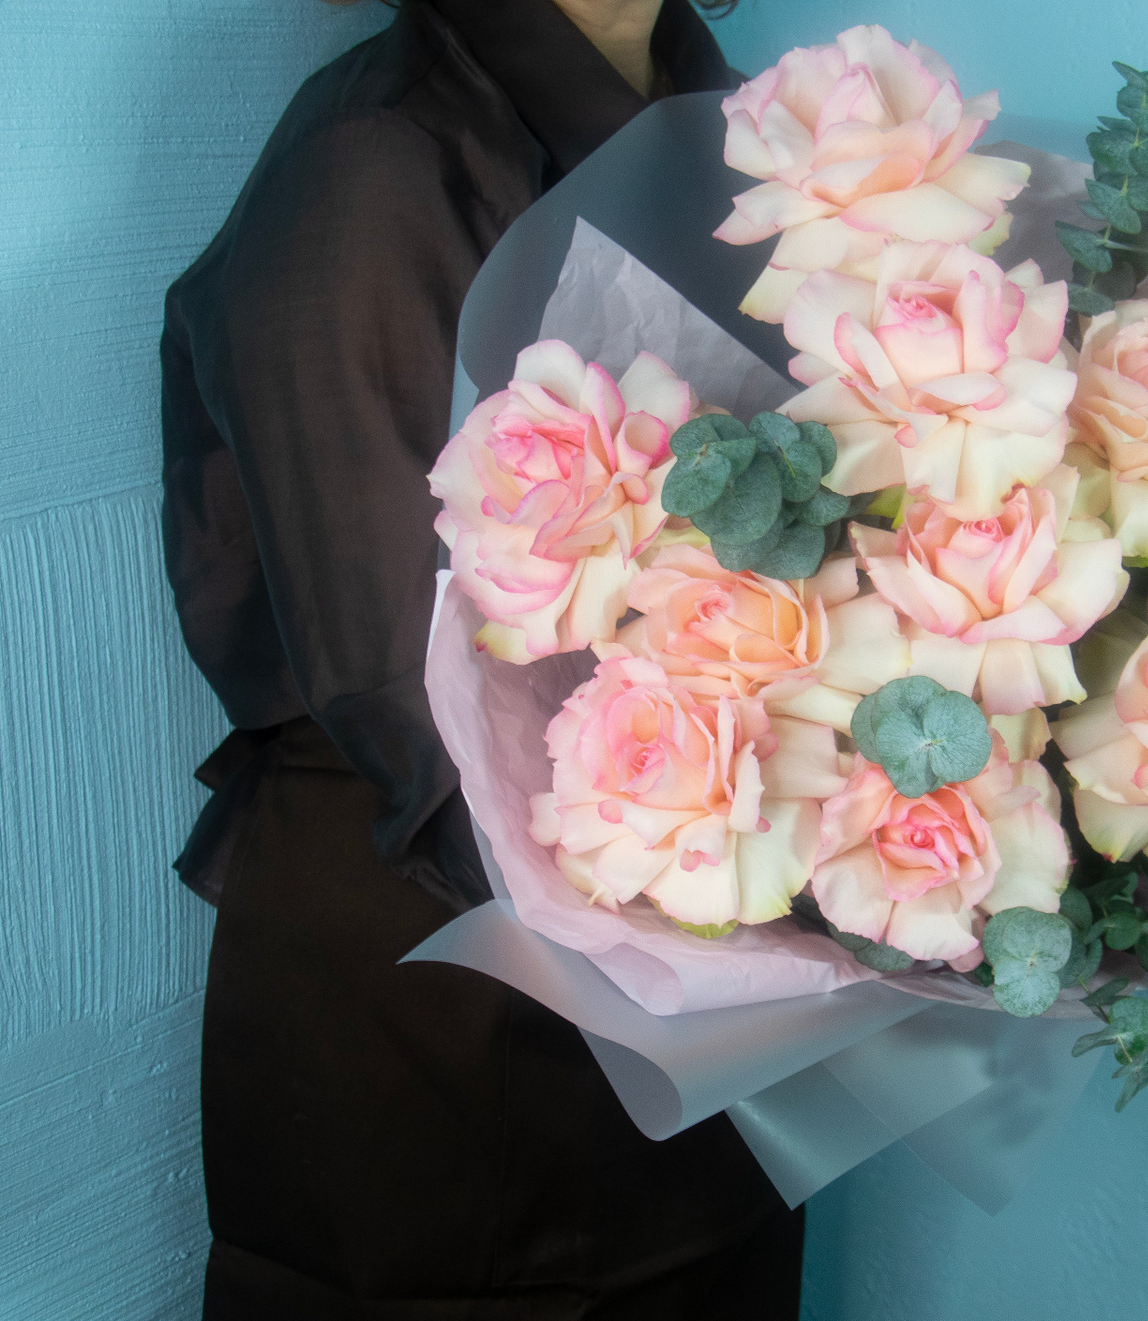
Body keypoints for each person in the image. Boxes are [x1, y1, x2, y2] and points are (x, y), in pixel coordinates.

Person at [159, 1, 804, 1315]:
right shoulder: (378, 160)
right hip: (457, 977)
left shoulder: (751, 126)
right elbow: (403, 694)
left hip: (728, 943)